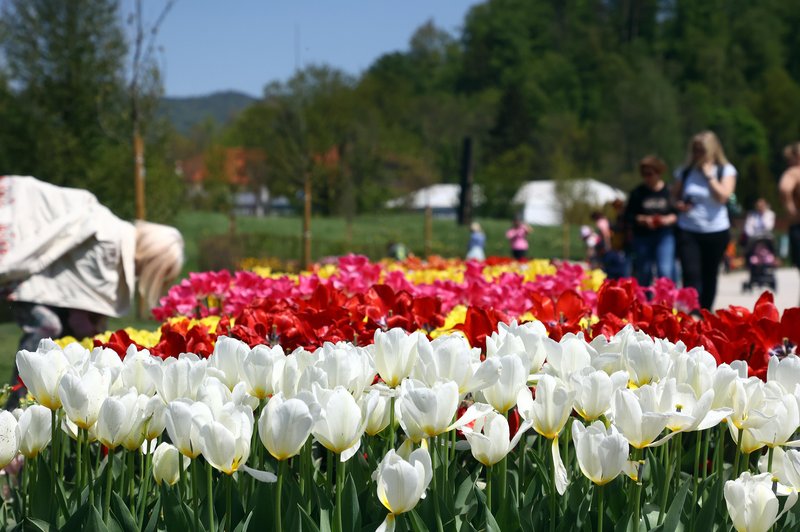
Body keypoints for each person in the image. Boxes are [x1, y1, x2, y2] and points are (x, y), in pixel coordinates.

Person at [0, 176, 184, 406]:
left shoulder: (111, 239)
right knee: (48, 328)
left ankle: (27, 403)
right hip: (21, 233)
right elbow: (80, 301)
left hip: (40, 275)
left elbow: (81, 294)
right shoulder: (108, 241)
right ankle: (15, 403)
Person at [672, 131, 737, 310]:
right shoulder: (685, 172)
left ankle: (705, 312)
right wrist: (679, 205)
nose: (698, 154)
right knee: (690, 273)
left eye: (701, 150)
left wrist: (710, 177)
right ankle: (690, 312)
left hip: (716, 230)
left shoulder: (726, 170)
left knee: (710, 274)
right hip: (688, 229)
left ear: (712, 150)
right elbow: (673, 197)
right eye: (695, 150)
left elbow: (724, 196)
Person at [624, 156, 678, 286]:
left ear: (658, 173)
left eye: (650, 174)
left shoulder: (669, 191)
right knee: (644, 271)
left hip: (664, 234)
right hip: (643, 235)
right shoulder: (638, 193)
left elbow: (677, 213)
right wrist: (642, 219)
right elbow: (628, 215)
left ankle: (666, 301)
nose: (647, 177)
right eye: (644, 174)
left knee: (664, 269)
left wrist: (667, 219)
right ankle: (644, 303)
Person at [778, 141, 800, 303]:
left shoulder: (793, 172)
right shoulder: (794, 172)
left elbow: (785, 190)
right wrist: (792, 210)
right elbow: (785, 189)